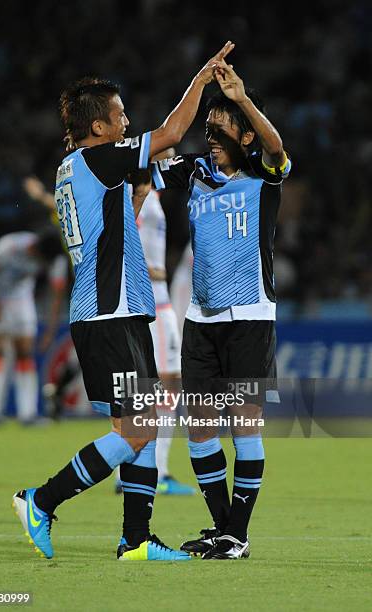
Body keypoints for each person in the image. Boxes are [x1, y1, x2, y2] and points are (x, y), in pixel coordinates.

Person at [12, 41, 235, 562]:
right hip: (108, 313)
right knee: (138, 427)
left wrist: (139, 192)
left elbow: (118, 223)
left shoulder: (80, 168)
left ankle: (135, 540)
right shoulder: (97, 157)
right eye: (120, 117)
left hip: (119, 309)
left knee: (139, 425)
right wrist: (201, 80)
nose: (127, 122)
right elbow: (173, 133)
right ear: (98, 127)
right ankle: (40, 500)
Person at [150, 59, 291, 559]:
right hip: (200, 319)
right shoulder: (194, 174)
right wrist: (199, 86)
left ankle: (238, 534)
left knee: (244, 427)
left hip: (251, 317)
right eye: (209, 128)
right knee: (201, 428)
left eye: (221, 128)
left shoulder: (264, 178)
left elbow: (277, 148)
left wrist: (243, 99)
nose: (210, 136)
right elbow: (156, 149)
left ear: (244, 137)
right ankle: (225, 530)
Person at [115, 159, 195, 496]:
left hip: (155, 301)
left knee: (157, 386)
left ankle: (142, 471)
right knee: (162, 384)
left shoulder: (153, 197)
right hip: (150, 301)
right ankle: (148, 472)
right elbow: (116, 240)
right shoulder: (137, 197)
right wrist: (148, 271)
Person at [0, 227, 68, 425]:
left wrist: (50, 331)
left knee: (25, 353)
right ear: (35, 247)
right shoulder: (12, 244)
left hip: (20, 298)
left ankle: (28, 414)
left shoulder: (55, 258)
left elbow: (56, 293)